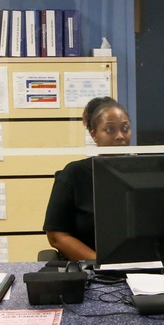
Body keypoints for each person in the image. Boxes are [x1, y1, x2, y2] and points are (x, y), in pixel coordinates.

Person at [42, 96, 131, 261]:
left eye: (125, 128)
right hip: (90, 269)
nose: (120, 136)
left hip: (142, 271)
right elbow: (56, 235)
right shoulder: (74, 174)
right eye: (110, 130)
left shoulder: (143, 172)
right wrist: (101, 262)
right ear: (94, 135)